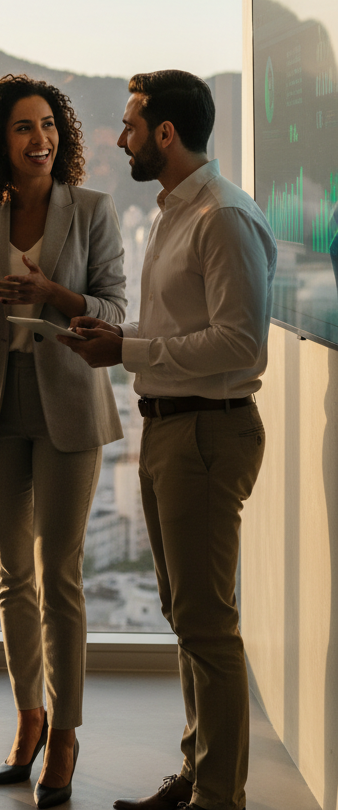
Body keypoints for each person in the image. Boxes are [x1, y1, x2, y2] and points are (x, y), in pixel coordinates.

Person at [59, 70, 277, 810]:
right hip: (170, 430)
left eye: (128, 125)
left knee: (208, 627)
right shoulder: (175, 212)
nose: (118, 138)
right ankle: (197, 777)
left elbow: (241, 346)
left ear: (165, 133)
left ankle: (219, 797)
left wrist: (128, 352)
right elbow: (186, 329)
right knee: (185, 617)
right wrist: (121, 339)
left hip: (207, 435)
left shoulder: (221, 217)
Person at [0, 74, 126, 808]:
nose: (39, 138)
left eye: (48, 125)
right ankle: (29, 717)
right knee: (12, 574)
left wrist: (54, 295)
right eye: (23, 127)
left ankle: (69, 732)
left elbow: (113, 305)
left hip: (71, 405)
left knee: (61, 574)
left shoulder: (95, 211)